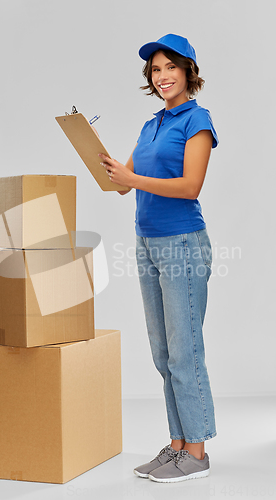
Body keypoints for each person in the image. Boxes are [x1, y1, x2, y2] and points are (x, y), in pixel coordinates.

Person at [99, 33, 218, 483]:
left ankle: (199, 452)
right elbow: (123, 184)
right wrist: (101, 159)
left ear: (188, 71)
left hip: (183, 242)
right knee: (163, 351)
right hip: (146, 241)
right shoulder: (151, 125)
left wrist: (131, 175)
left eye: (170, 67)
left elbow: (190, 187)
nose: (163, 75)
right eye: (155, 70)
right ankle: (177, 445)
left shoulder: (197, 120)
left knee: (185, 350)